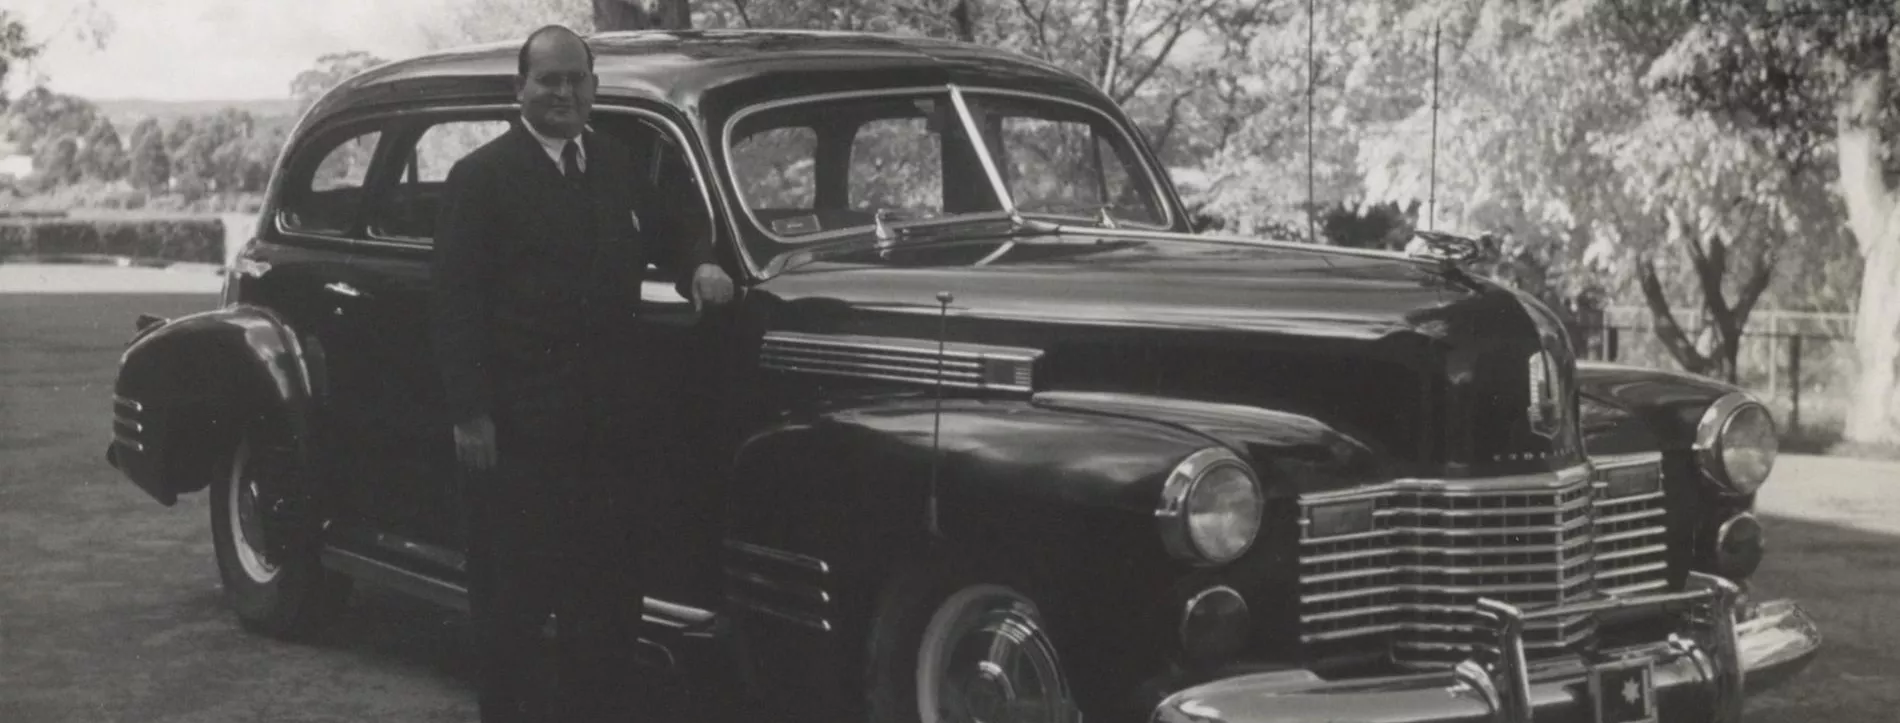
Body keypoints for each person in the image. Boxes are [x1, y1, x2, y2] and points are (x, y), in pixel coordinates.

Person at [429, 24, 735, 723]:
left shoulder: (617, 163)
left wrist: (700, 263)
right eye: (549, 80)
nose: (564, 93)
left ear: (593, 88)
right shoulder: (481, 177)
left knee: (606, 600)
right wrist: (471, 412)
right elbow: (454, 303)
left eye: (576, 80)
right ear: (521, 89)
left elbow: (673, 224)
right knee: (513, 603)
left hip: (608, 433)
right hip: (520, 432)